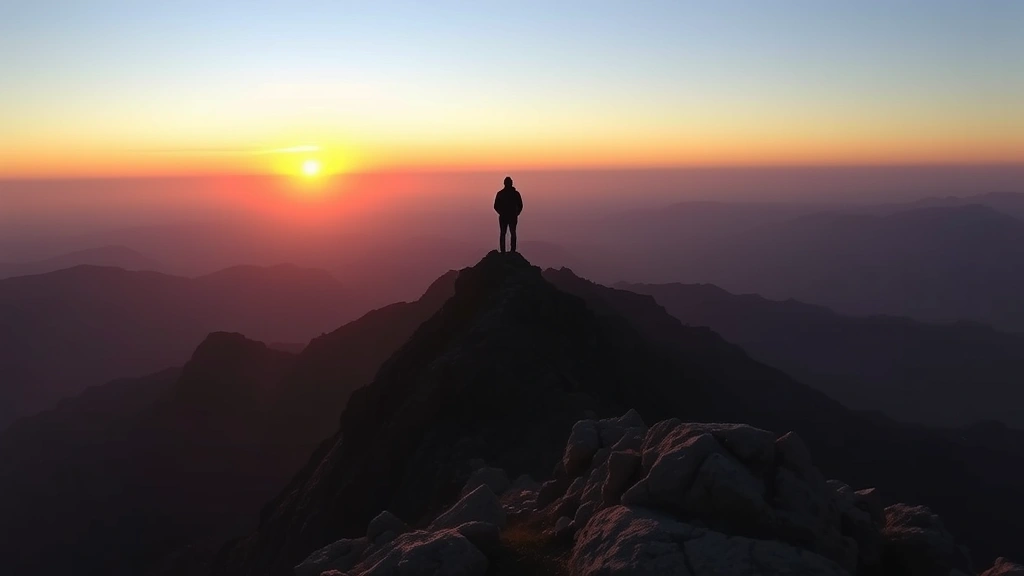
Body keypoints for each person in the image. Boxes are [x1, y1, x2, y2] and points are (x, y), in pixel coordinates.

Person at [493, 176, 523, 253]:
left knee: (506, 233)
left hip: (506, 216)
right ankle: (511, 250)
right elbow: (520, 205)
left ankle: (506, 251)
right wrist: (517, 213)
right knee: (510, 233)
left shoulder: (501, 194)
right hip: (510, 216)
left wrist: (501, 213)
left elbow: (496, 206)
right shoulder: (515, 194)